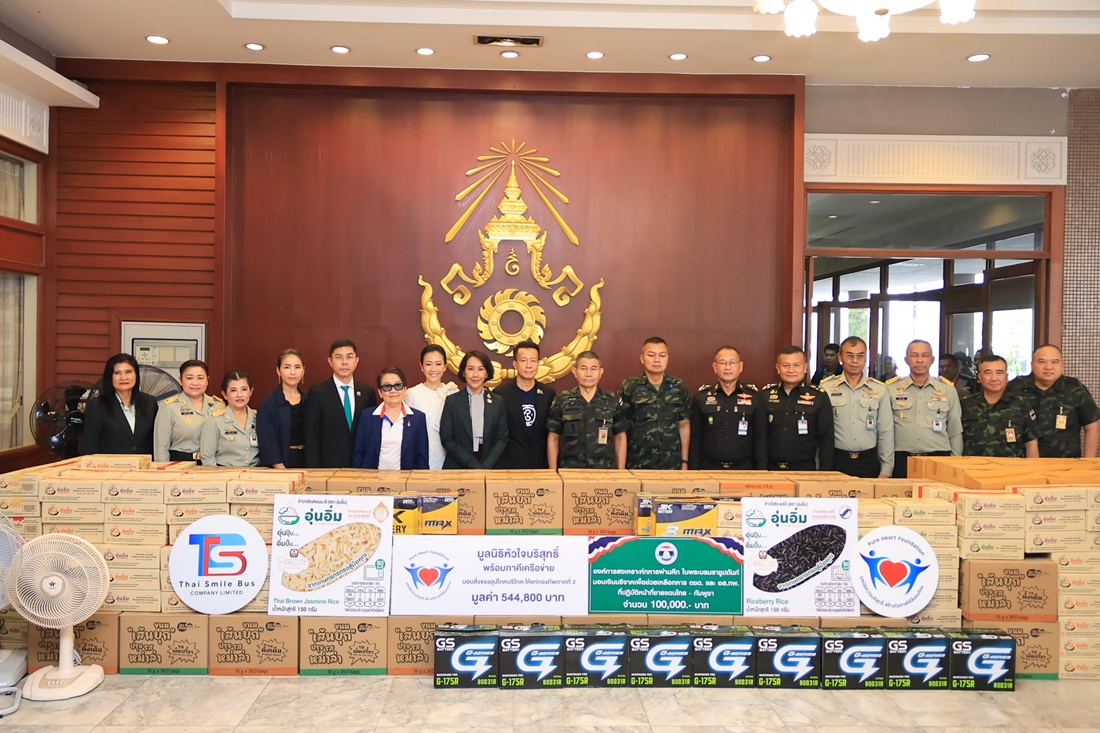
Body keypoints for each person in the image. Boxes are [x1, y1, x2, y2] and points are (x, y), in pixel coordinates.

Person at [1008, 344, 1100, 458]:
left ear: (1063, 365)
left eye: (1055, 362)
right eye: (1041, 362)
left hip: (1065, 462)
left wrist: (1089, 461)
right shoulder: (1015, 388)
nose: (1048, 367)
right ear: (1032, 364)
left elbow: (1092, 425)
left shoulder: (1074, 388)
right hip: (1021, 461)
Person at [820, 336, 893, 478]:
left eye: (860, 356)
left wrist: (886, 470)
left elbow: (886, 432)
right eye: (849, 355)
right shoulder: (826, 388)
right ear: (840, 357)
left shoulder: (879, 389)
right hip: (836, 460)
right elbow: (820, 431)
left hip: (868, 461)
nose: (855, 361)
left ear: (866, 357)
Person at [888, 340, 963, 477]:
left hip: (939, 459)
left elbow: (955, 430)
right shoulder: (891, 389)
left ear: (932, 360)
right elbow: (883, 430)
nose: (920, 360)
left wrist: (955, 464)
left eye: (925, 355)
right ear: (906, 360)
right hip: (901, 459)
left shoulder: (947, 389)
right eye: (914, 355)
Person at [753, 346, 834, 471]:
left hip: (804, 469)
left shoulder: (819, 396)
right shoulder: (765, 395)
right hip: (770, 468)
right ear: (778, 368)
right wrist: (761, 469)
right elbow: (760, 435)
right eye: (786, 365)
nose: (791, 370)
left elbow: (826, 438)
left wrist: (825, 473)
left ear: (805, 367)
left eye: (796, 365)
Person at [546, 351, 628, 470]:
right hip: (571, 471)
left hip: (605, 471)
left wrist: (621, 472)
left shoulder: (612, 400)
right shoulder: (563, 400)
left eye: (593, 369)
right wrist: (553, 472)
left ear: (600, 372)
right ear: (575, 372)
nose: (588, 374)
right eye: (583, 368)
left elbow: (620, 436)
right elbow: (553, 437)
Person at [619, 337, 691, 470]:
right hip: (638, 463)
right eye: (651, 355)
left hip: (672, 464)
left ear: (668, 358)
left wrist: (684, 461)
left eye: (662, 355)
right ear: (642, 358)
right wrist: (621, 468)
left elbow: (684, 425)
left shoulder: (679, 386)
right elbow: (621, 429)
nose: (657, 360)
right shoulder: (630, 386)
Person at [304, 339, 376, 468]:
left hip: (361, 467)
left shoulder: (367, 392)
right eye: (339, 357)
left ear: (356, 361)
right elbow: (311, 437)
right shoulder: (317, 393)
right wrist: (313, 471)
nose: (344, 362)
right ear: (330, 361)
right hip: (328, 467)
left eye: (349, 357)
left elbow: (371, 433)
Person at [688, 346, 757, 470]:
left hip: (743, 468)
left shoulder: (754, 397)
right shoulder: (701, 397)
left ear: (740, 366)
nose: (727, 367)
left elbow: (760, 436)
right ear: (715, 367)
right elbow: (696, 437)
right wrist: (693, 468)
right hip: (709, 467)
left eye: (732, 363)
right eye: (723, 363)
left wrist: (761, 470)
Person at [439, 350, 509, 469]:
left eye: (480, 369)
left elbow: (502, 438)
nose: (475, 375)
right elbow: (447, 439)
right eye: (470, 369)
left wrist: (486, 465)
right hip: (458, 464)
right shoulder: (452, 401)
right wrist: (472, 464)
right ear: (463, 372)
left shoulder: (498, 401)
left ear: (487, 373)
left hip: (490, 465)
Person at [961, 353, 1039, 458]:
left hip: (1012, 467)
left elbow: (1031, 443)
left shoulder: (1021, 404)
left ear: (1006, 377)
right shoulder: (965, 404)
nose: (994, 378)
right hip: (974, 466)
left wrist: (1033, 467)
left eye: (999, 372)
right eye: (988, 373)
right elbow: (956, 439)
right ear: (980, 377)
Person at [493, 340, 556, 469]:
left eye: (533, 361)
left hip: (540, 465)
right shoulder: (500, 393)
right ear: (515, 364)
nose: (529, 366)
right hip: (509, 465)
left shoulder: (548, 394)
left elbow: (551, 434)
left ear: (538, 363)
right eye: (523, 361)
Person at [352, 367, 429, 469]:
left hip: (405, 478)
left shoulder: (418, 418)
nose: (393, 390)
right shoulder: (367, 416)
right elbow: (359, 453)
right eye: (387, 386)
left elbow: (421, 459)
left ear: (405, 389)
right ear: (380, 392)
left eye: (398, 386)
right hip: (372, 477)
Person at [83, 353, 158, 455]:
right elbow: (89, 445)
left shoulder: (150, 402)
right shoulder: (97, 405)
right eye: (117, 373)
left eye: (128, 372)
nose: (124, 377)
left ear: (136, 375)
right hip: (111, 464)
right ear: (110, 377)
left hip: (144, 464)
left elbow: (157, 441)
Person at [152, 360, 221, 463]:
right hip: (180, 464)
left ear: (207, 380)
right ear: (180, 380)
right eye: (189, 378)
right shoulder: (169, 407)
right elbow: (161, 449)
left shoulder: (219, 405)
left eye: (200, 378)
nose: (195, 383)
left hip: (214, 464)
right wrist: (164, 470)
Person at [404, 344, 460, 469]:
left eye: (438, 364)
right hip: (419, 457)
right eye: (428, 364)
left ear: (445, 366)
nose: (433, 369)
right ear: (421, 366)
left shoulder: (452, 393)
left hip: (449, 460)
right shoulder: (411, 394)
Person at [256, 348, 309, 469]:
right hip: (281, 466)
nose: (292, 372)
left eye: (297, 367)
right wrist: (281, 470)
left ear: (303, 371)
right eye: (287, 367)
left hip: (308, 463)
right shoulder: (268, 404)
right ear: (278, 371)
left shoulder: (310, 400)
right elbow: (267, 442)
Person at [200, 371, 260, 467]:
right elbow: (207, 457)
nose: (239, 395)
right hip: (225, 473)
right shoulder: (215, 420)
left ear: (251, 392)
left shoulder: (259, 418)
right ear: (224, 394)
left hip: (255, 473)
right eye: (233, 390)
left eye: (244, 389)